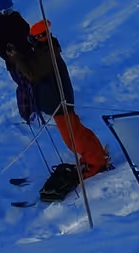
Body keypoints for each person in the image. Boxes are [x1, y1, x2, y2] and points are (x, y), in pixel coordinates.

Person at [13, 19, 112, 178]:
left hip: (58, 101)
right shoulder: (45, 49)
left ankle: (96, 162)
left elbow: (33, 74)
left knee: (73, 138)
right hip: (57, 100)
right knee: (76, 132)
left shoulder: (47, 53)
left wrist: (17, 58)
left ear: (38, 38)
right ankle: (96, 156)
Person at [0, 0, 36, 123]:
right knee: (24, 85)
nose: (9, 13)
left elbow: (26, 30)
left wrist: (31, 40)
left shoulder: (16, 16)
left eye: (10, 9)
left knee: (34, 81)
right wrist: (10, 55)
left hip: (28, 54)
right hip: (14, 62)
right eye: (6, 11)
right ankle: (26, 113)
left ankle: (37, 106)